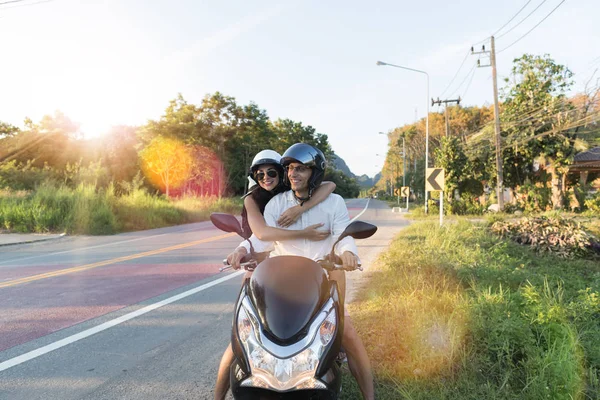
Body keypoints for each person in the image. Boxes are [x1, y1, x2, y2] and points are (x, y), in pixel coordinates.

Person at [225, 143, 375, 400]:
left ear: (314, 173)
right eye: (290, 169)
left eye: (301, 169)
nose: (293, 174)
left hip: (319, 284)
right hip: (280, 285)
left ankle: (370, 396)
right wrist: (241, 249)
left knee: (347, 331)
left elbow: (342, 235)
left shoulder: (333, 203)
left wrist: (349, 252)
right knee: (249, 334)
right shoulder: (275, 204)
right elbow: (261, 240)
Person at [214, 149, 336, 400]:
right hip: (259, 271)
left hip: (294, 270)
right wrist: (240, 249)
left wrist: (301, 210)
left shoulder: (289, 193)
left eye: (272, 172)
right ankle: (217, 396)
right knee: (240, 339)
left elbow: (330, 185)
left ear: (282, 173)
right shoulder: (252, 198)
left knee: (337, 330)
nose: (266, 177)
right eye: (260, 174)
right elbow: (261, 235)